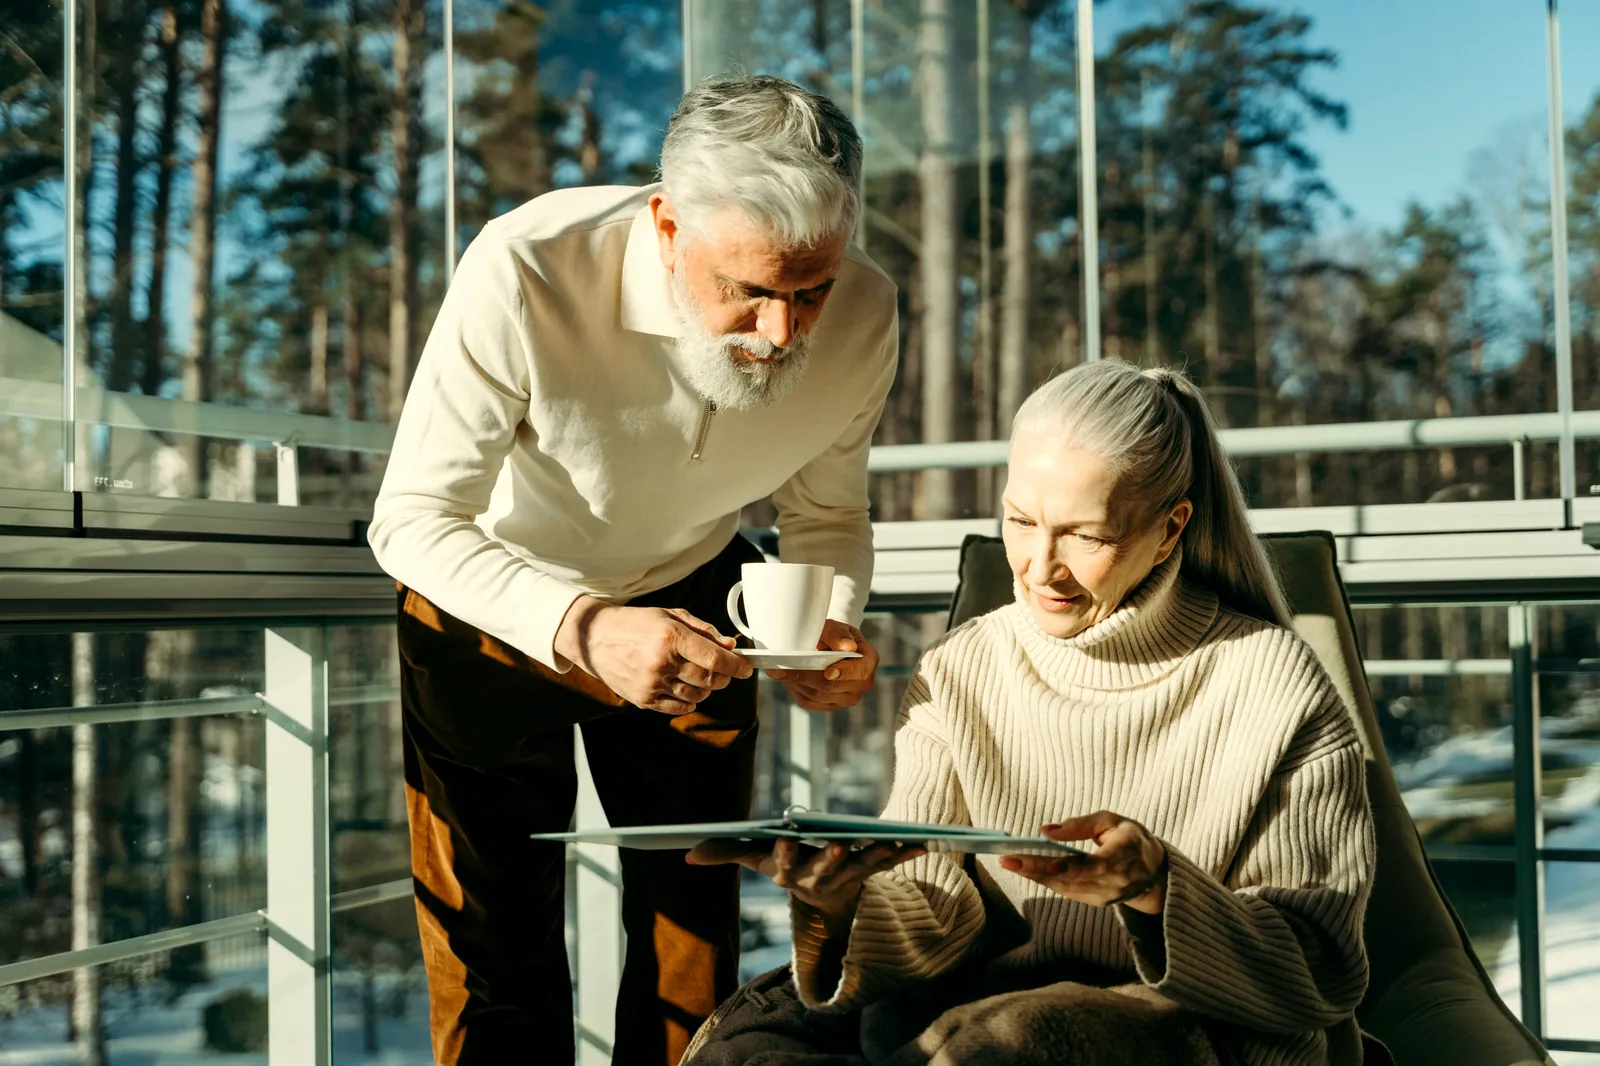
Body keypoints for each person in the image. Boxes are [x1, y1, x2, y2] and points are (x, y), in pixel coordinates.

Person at [367, 75, 900, 1066]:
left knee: (690, 943)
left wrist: (826, 622)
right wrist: (584, 625)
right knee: (495, 949)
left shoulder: (867, 310)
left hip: (700, 592)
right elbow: (410, 519)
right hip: (490, 598)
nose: (782, 334)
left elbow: (826, 513)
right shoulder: (525, 264)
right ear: (664, 225)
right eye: (746, 290)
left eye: (810, 290)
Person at [686, 360, 1377, 1066]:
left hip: (1193, 1031)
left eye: (1087, 536)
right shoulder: (961, 668)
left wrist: (1156, 889)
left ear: (1170, 531)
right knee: (745, 1048)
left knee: (1006, 1045)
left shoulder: (1274, 681)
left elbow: (1319, 974)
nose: (1039, 567)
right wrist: (835, 906)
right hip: (969, 1017)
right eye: (1019, 521)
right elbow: (934, 908)